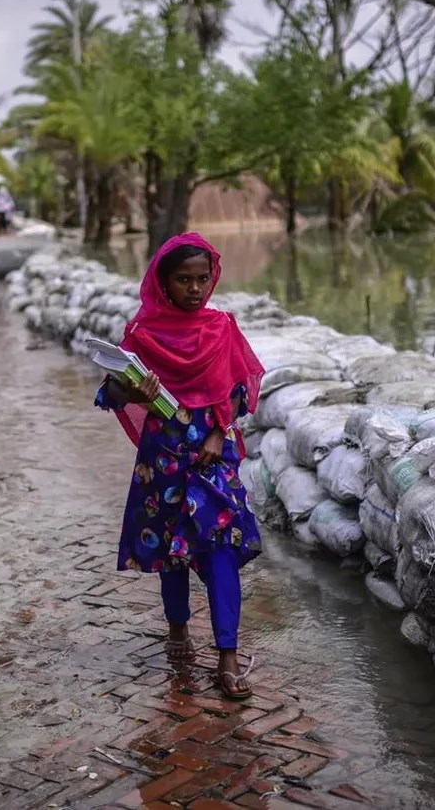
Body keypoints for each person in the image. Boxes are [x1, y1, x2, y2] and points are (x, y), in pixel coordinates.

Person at [94, 233, 265, 699]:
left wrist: (217, 432)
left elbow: (239, 391)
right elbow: (110, 392)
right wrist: (135, 392)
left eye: (202, 279)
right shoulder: (144, 334)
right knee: (173, 549)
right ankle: (177, 628)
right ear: (164, 283)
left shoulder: (222, 327)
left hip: (214, 455)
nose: (194, 288)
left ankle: (227, 656)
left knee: (221, 546)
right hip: (164, 456)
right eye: (183, 280)